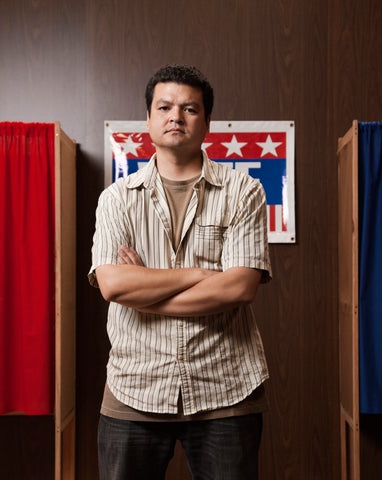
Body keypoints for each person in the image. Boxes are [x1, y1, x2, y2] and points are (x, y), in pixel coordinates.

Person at [89, 64, 272, 480]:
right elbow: (113, 284)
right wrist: (200, 274)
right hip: (134, 384)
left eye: (190, 108)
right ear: (148, 120)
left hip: (226, 386)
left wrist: (146, 297)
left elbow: (240, 287)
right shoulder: (116, 199)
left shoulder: (244, 191)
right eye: (165, 107)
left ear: (207, 121)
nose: (176, 116)